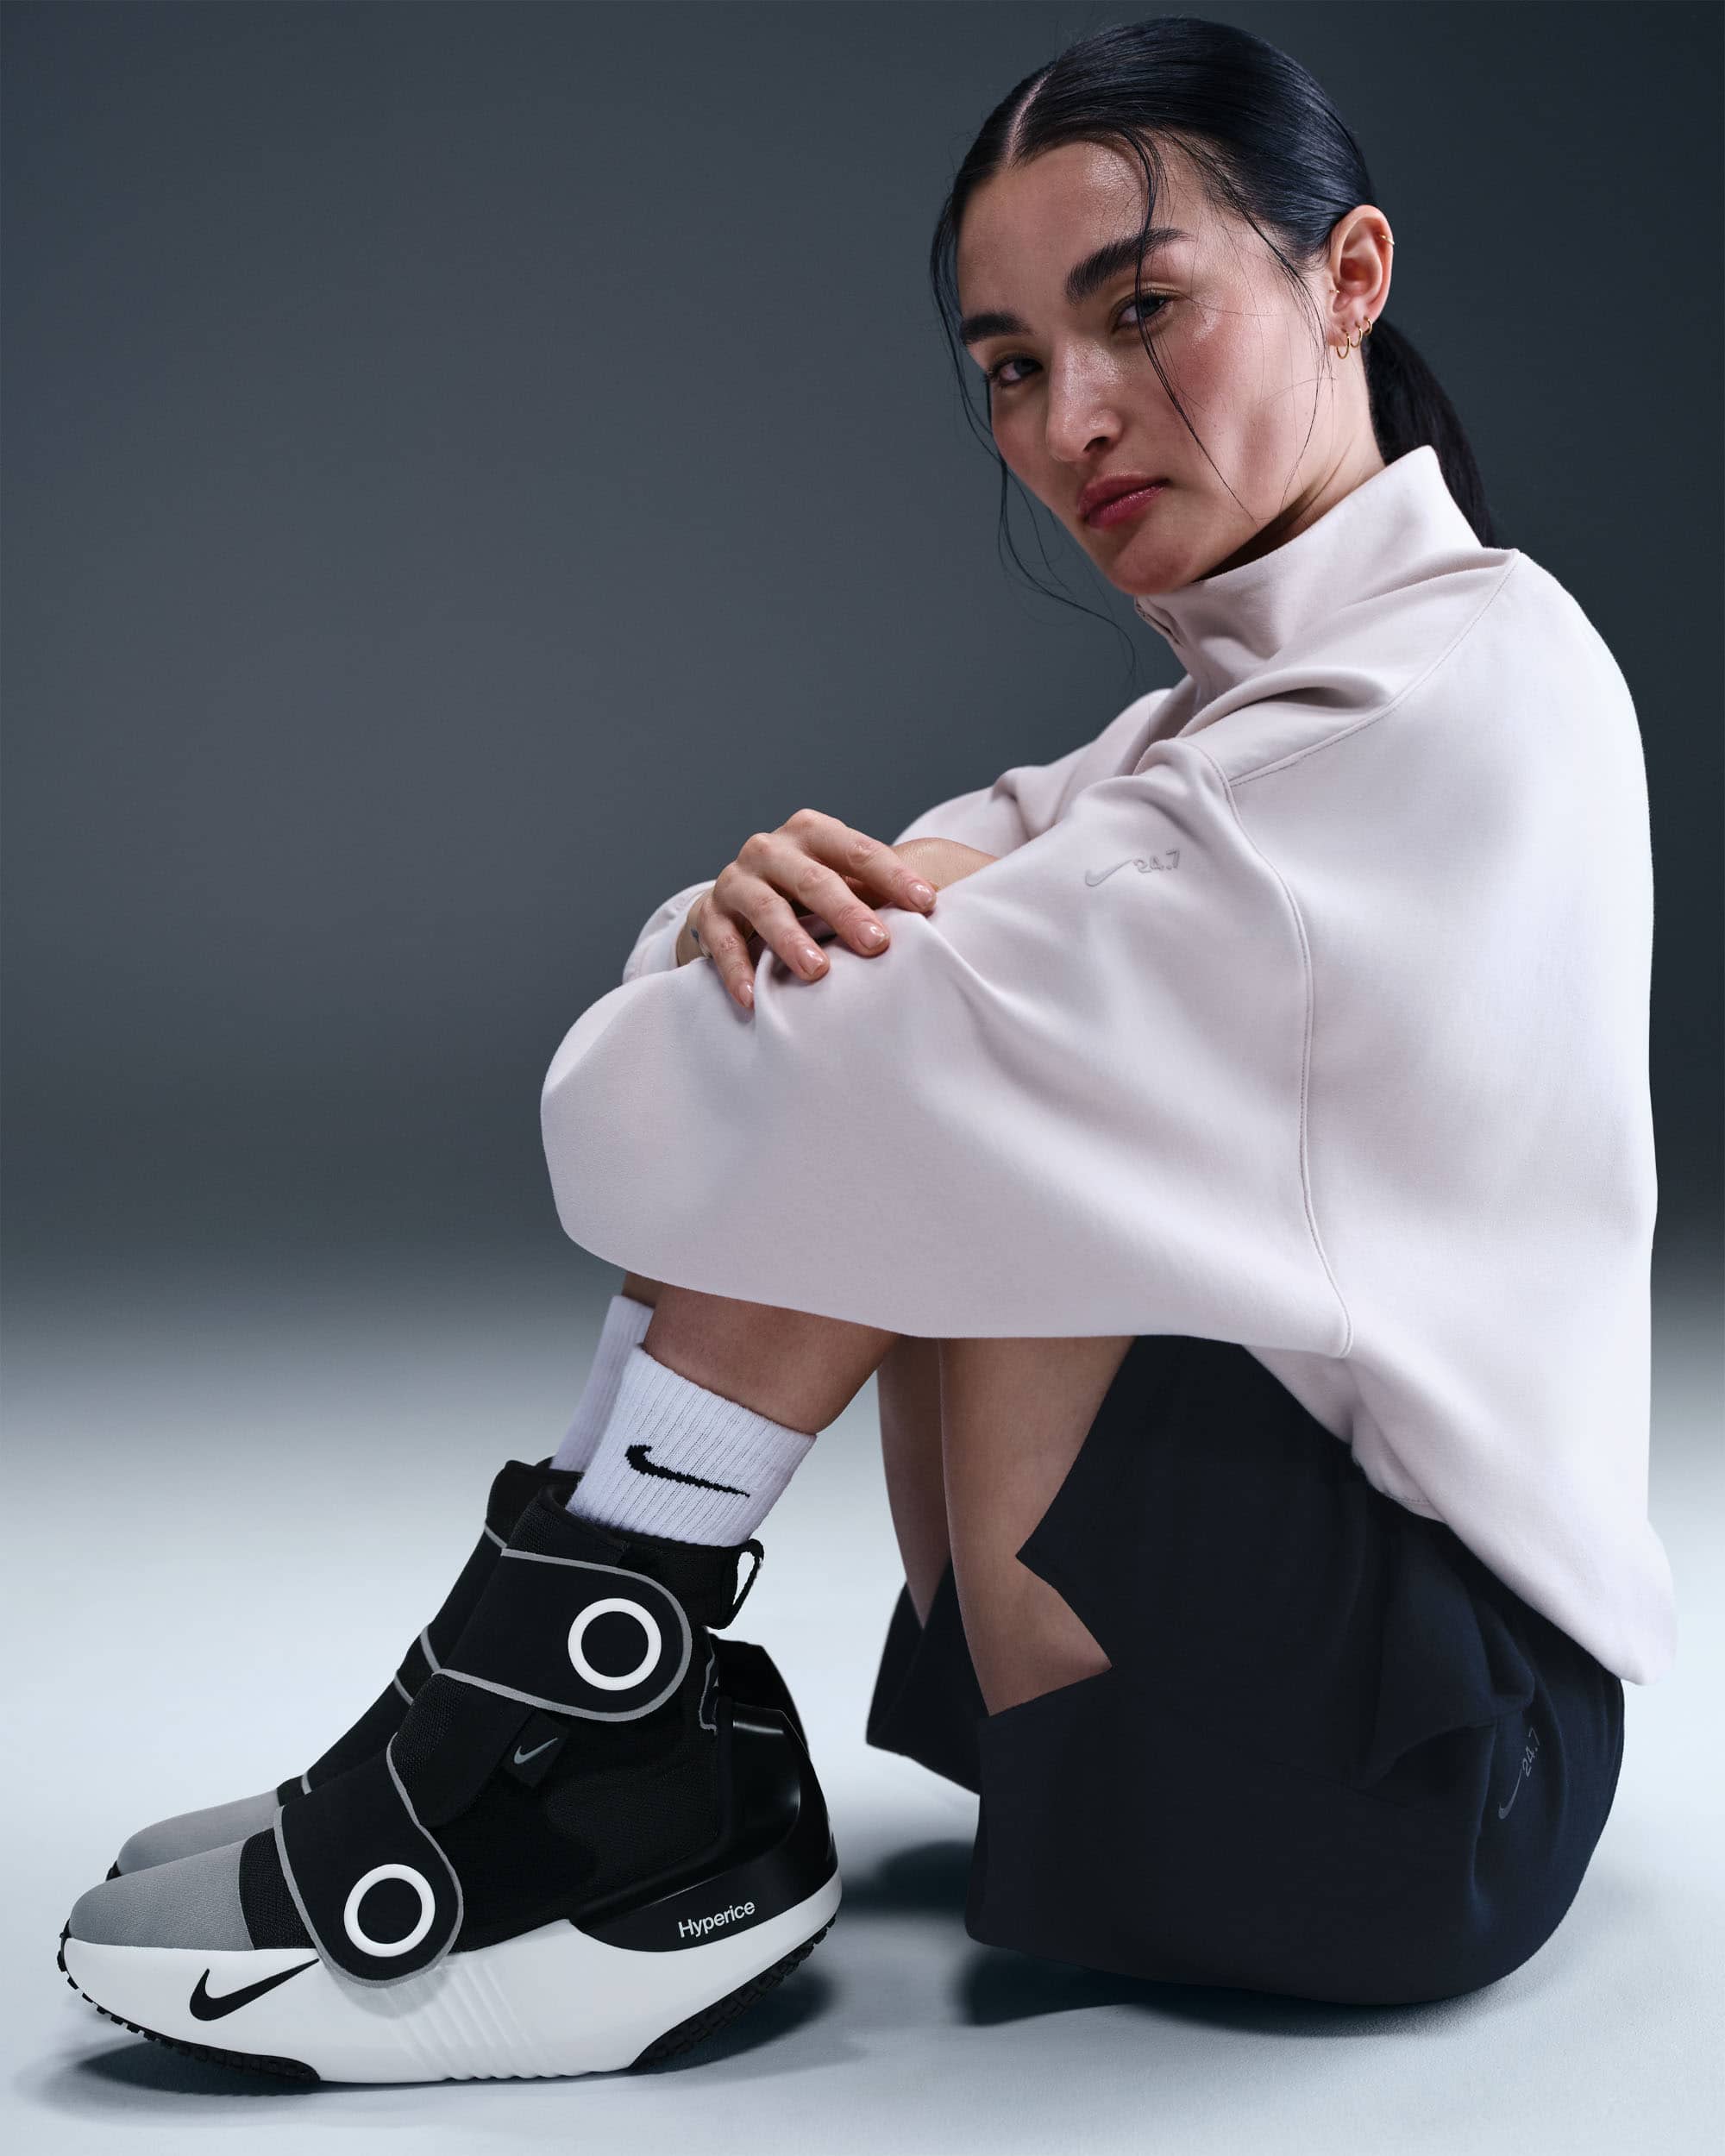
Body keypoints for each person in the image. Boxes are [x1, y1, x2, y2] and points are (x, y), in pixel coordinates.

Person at [59, 15, 1675, 2081]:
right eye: (1008, 364)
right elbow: (745, 1025)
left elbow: (657, 1110)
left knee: (903, 1093)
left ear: (1346, 275)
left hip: (1421, 1791)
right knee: (906, 1072)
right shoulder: (1210, 732)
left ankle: (546, 1747)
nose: (1071, 417)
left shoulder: (1427, 705)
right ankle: (565, 1738)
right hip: (1346, 1723)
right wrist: (726, 933)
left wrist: (757, 978)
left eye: (1140, 308)